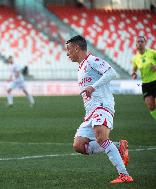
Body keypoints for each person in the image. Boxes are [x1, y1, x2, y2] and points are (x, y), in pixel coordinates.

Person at [65, 35, 133, 184]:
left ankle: (124, 175)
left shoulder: (91, 61)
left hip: (102, 105)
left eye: (68, 49)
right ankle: (118, 146)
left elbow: (111, 73)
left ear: (77, 48)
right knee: (79, 145)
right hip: (90, 112)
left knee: (101, 138)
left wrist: (93, 87)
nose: (67, 53)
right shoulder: (81, 67)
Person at [131, 36, 156, 121]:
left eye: (142, 41)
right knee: (151, 107)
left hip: (155, 81)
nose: (140, 43)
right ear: (136, 44)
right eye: (138, 42)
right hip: (146, 84)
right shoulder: (135, 58)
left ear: (145, 43)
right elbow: (134, 68)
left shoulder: (152, 53)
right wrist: (134, 73)